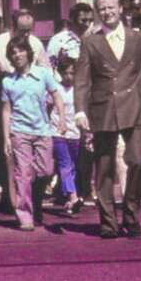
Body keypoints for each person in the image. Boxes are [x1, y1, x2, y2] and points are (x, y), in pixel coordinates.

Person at [75, 0, 141, 240]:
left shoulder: (138, 38)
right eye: (102, 9)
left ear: (120, 9)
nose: (107, 12)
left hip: (134, 109)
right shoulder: (91, 41)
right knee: (104, 168)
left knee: (137, 162)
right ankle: (108, 223)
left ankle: (131, 216)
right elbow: (81, 80)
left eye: (111, 7)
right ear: (97, 13)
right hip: (102, 109)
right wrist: (80, 110)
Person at [0, 35, 68, 232]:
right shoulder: (8, 82)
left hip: (43, 131)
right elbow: (6, 111)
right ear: (10, 58)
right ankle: (25, 215)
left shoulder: (43, 74)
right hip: (19, 133)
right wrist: (6, 138)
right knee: (23, 175)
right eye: (13, 53)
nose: (17, 55)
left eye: (21, 51)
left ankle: (35, 203)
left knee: (46, 171)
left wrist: (62, 119)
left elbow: (56, 96)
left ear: (28, 53)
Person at [0, 10, 46, 211]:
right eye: (21, 30)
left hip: (32, 104)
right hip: (5, 100)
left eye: (29, 31)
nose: (26, 35)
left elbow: (46, 70)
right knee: (8, 154)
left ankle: (29, 197)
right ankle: (12, 201)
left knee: (36, 160)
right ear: (12, 26)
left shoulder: (36, 44)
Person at [50, 55, 83, 217]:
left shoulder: (79, 89)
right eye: (66, 73)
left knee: (73, 165)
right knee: (65, 164)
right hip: (58, 133)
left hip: (75, 133)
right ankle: (72, 194)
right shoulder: (55, 89)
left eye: (72, 73)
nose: (69, 77)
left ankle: (68, 200)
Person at [47, 3, 94, 70]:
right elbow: (50, 65)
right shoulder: (59, 39)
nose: (87, 24)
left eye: (90, 20)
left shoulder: (94, 39)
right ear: (72, 19)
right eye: (83, 20)